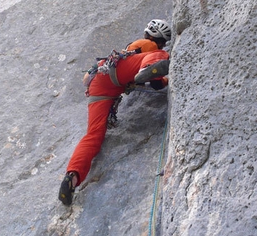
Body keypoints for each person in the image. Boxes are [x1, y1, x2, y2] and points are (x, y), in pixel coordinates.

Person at [58, 20, 172, 206]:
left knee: (93, 135)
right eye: (163, 42)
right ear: (159, 38)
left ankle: (72, 176)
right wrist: (165, 79)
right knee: (160, 57)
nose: (162, 45)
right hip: (119, 72)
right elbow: (157, 83)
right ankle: (146, 68)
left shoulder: (127, 49)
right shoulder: (148, 45)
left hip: (101, 85)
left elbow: (86, 78)